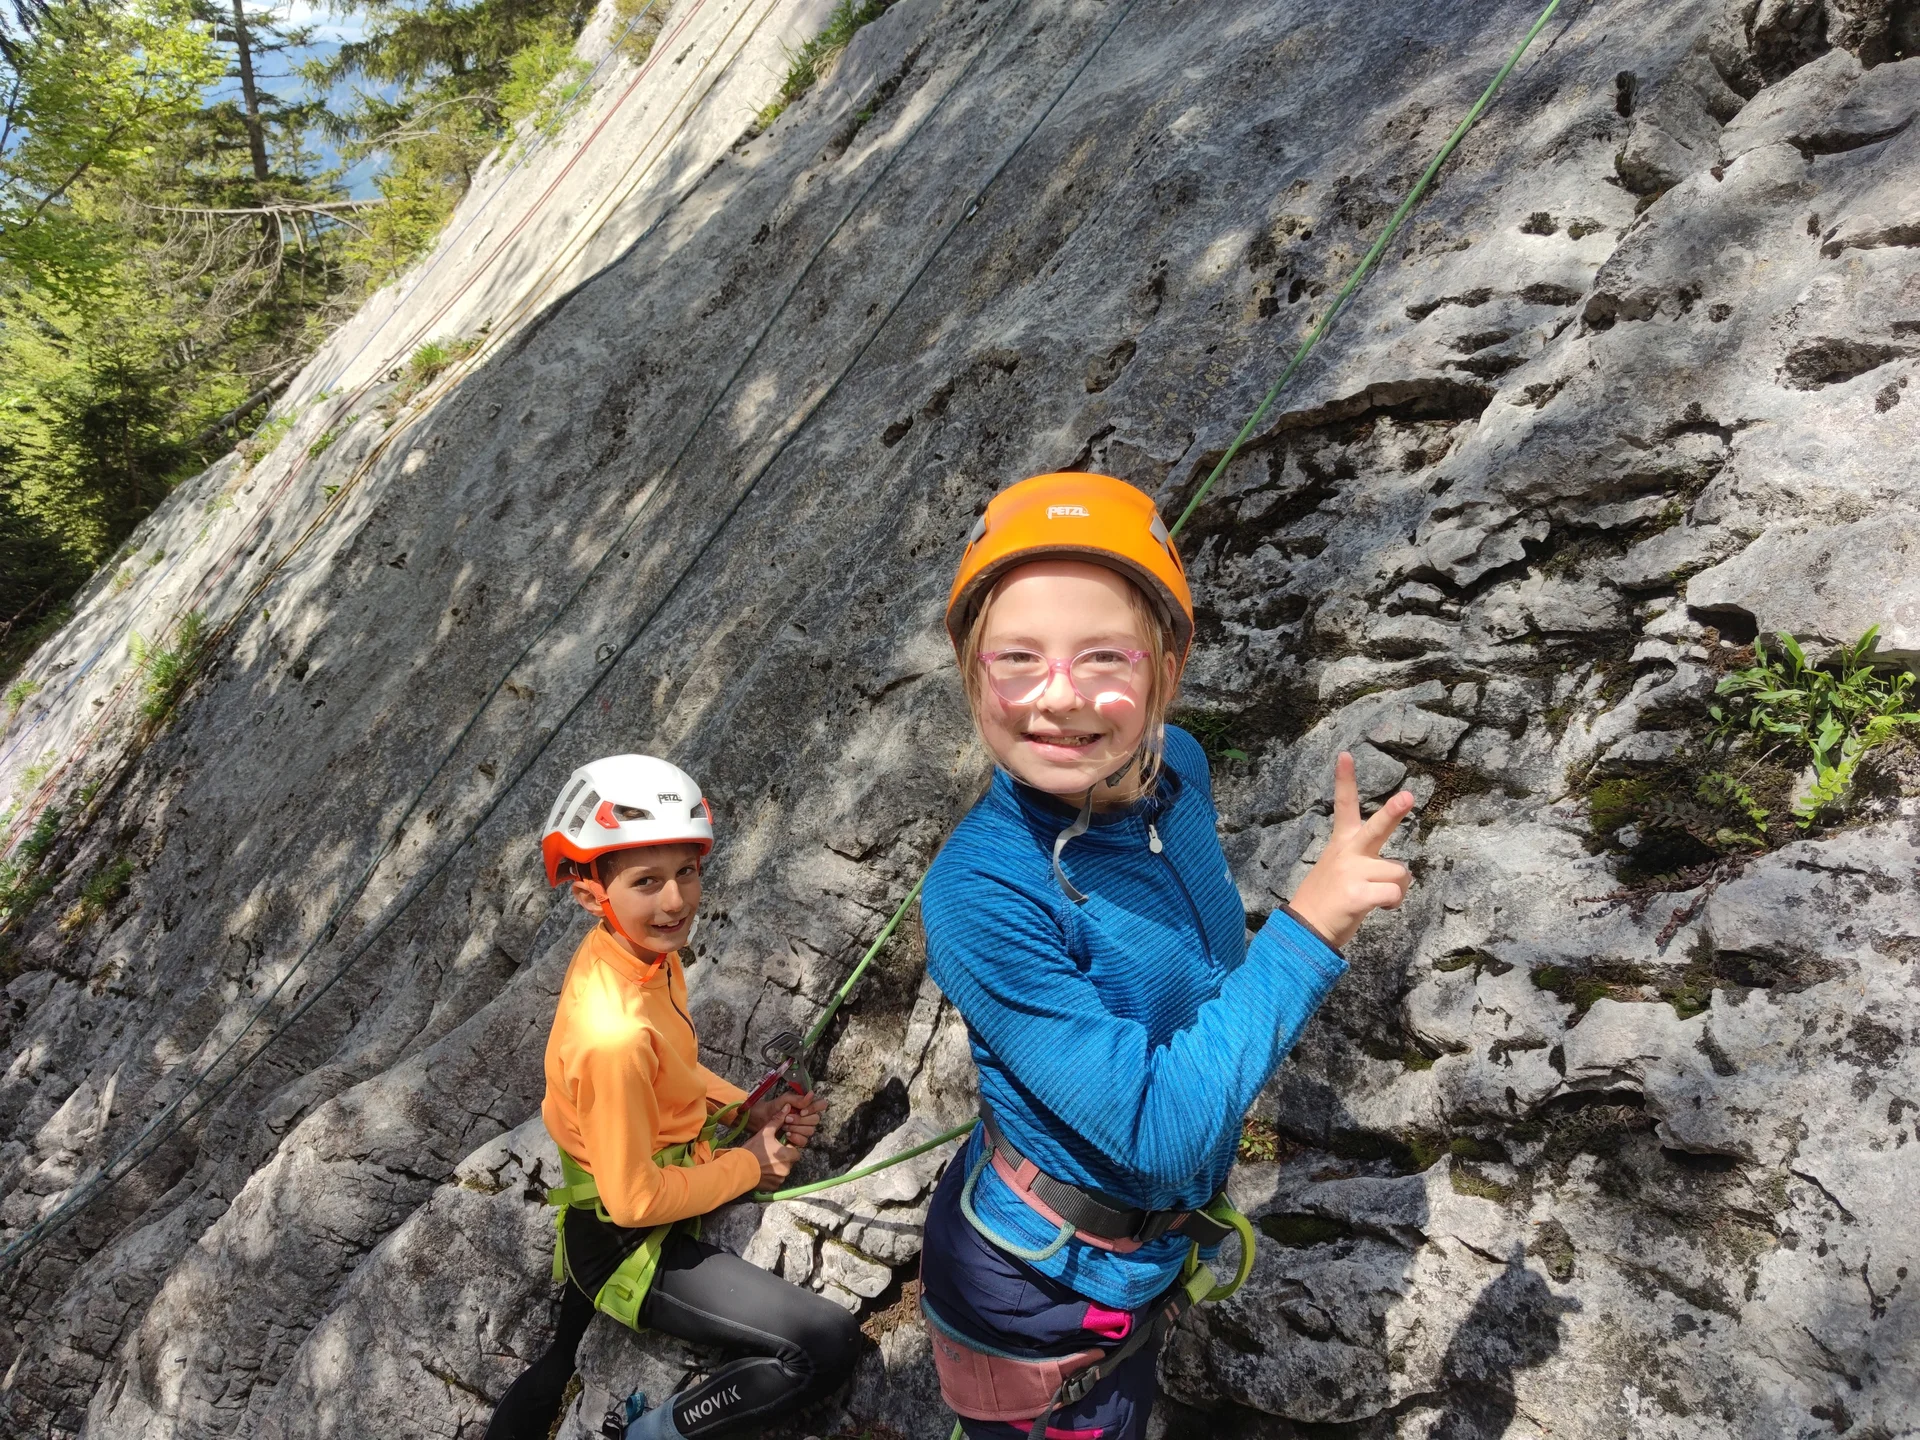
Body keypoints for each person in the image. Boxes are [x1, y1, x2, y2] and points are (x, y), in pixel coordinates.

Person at [916, 473, 1415, 1440]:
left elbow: (1193, 973)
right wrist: (1307, 933)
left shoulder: (1177, 766)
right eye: (1016, 658)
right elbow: (1155, 1132)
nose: (1058, 699)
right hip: (1035, 1290)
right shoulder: (980, 894)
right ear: (974, 673)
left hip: (1133, 1252)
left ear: (1168, 668)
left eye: (1103, 656)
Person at [485, 755, 862, 1440]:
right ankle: (646, 1434)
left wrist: (746, 1110)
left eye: (686, 872)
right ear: (589, 893)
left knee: (557, 1363)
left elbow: (675, 1073)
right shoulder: (613, 1033)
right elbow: (634, 1200)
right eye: (646, 881)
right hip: (626, 1242)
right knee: (823, 1344)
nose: (675, 901)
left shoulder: (638, 955)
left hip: (616, 1203)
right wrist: (751, 1162)